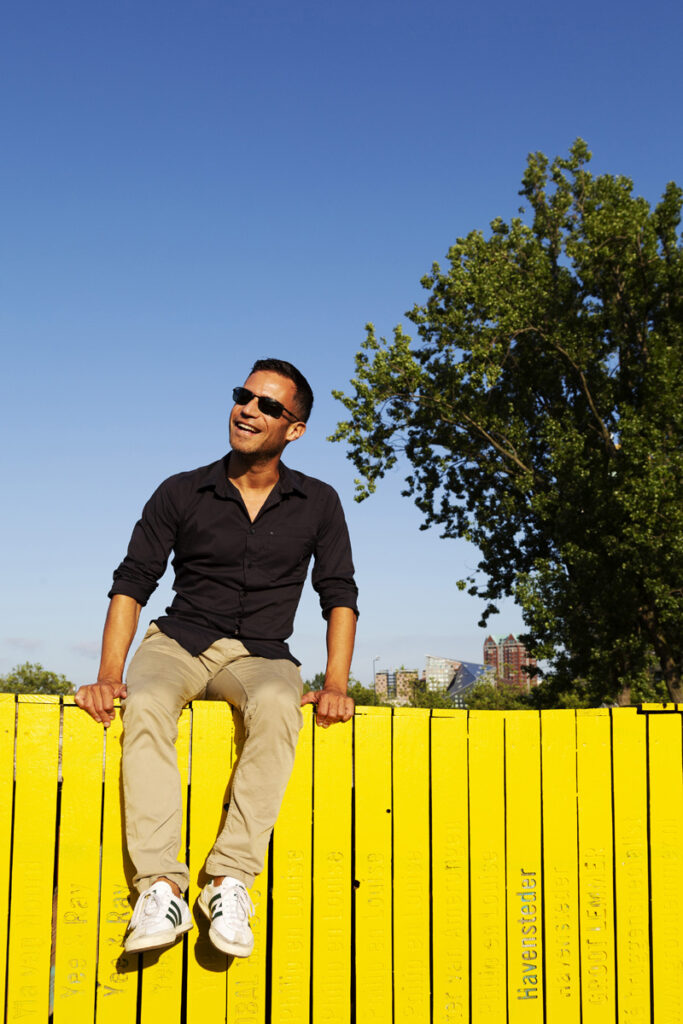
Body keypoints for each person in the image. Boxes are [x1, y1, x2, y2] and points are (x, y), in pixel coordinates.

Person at [75, 358, 358, 958]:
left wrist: (336, 682)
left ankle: (229, 883)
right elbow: (132, 584)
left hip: (262, 654)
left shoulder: (320, 503)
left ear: (295, 428)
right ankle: (160, 888)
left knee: (283, 706)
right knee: (145, 700)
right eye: (243, 396)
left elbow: (339, 594)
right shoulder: (181, 490)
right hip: (179, 641)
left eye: (268, 406)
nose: (248, 410)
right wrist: (107, 676)